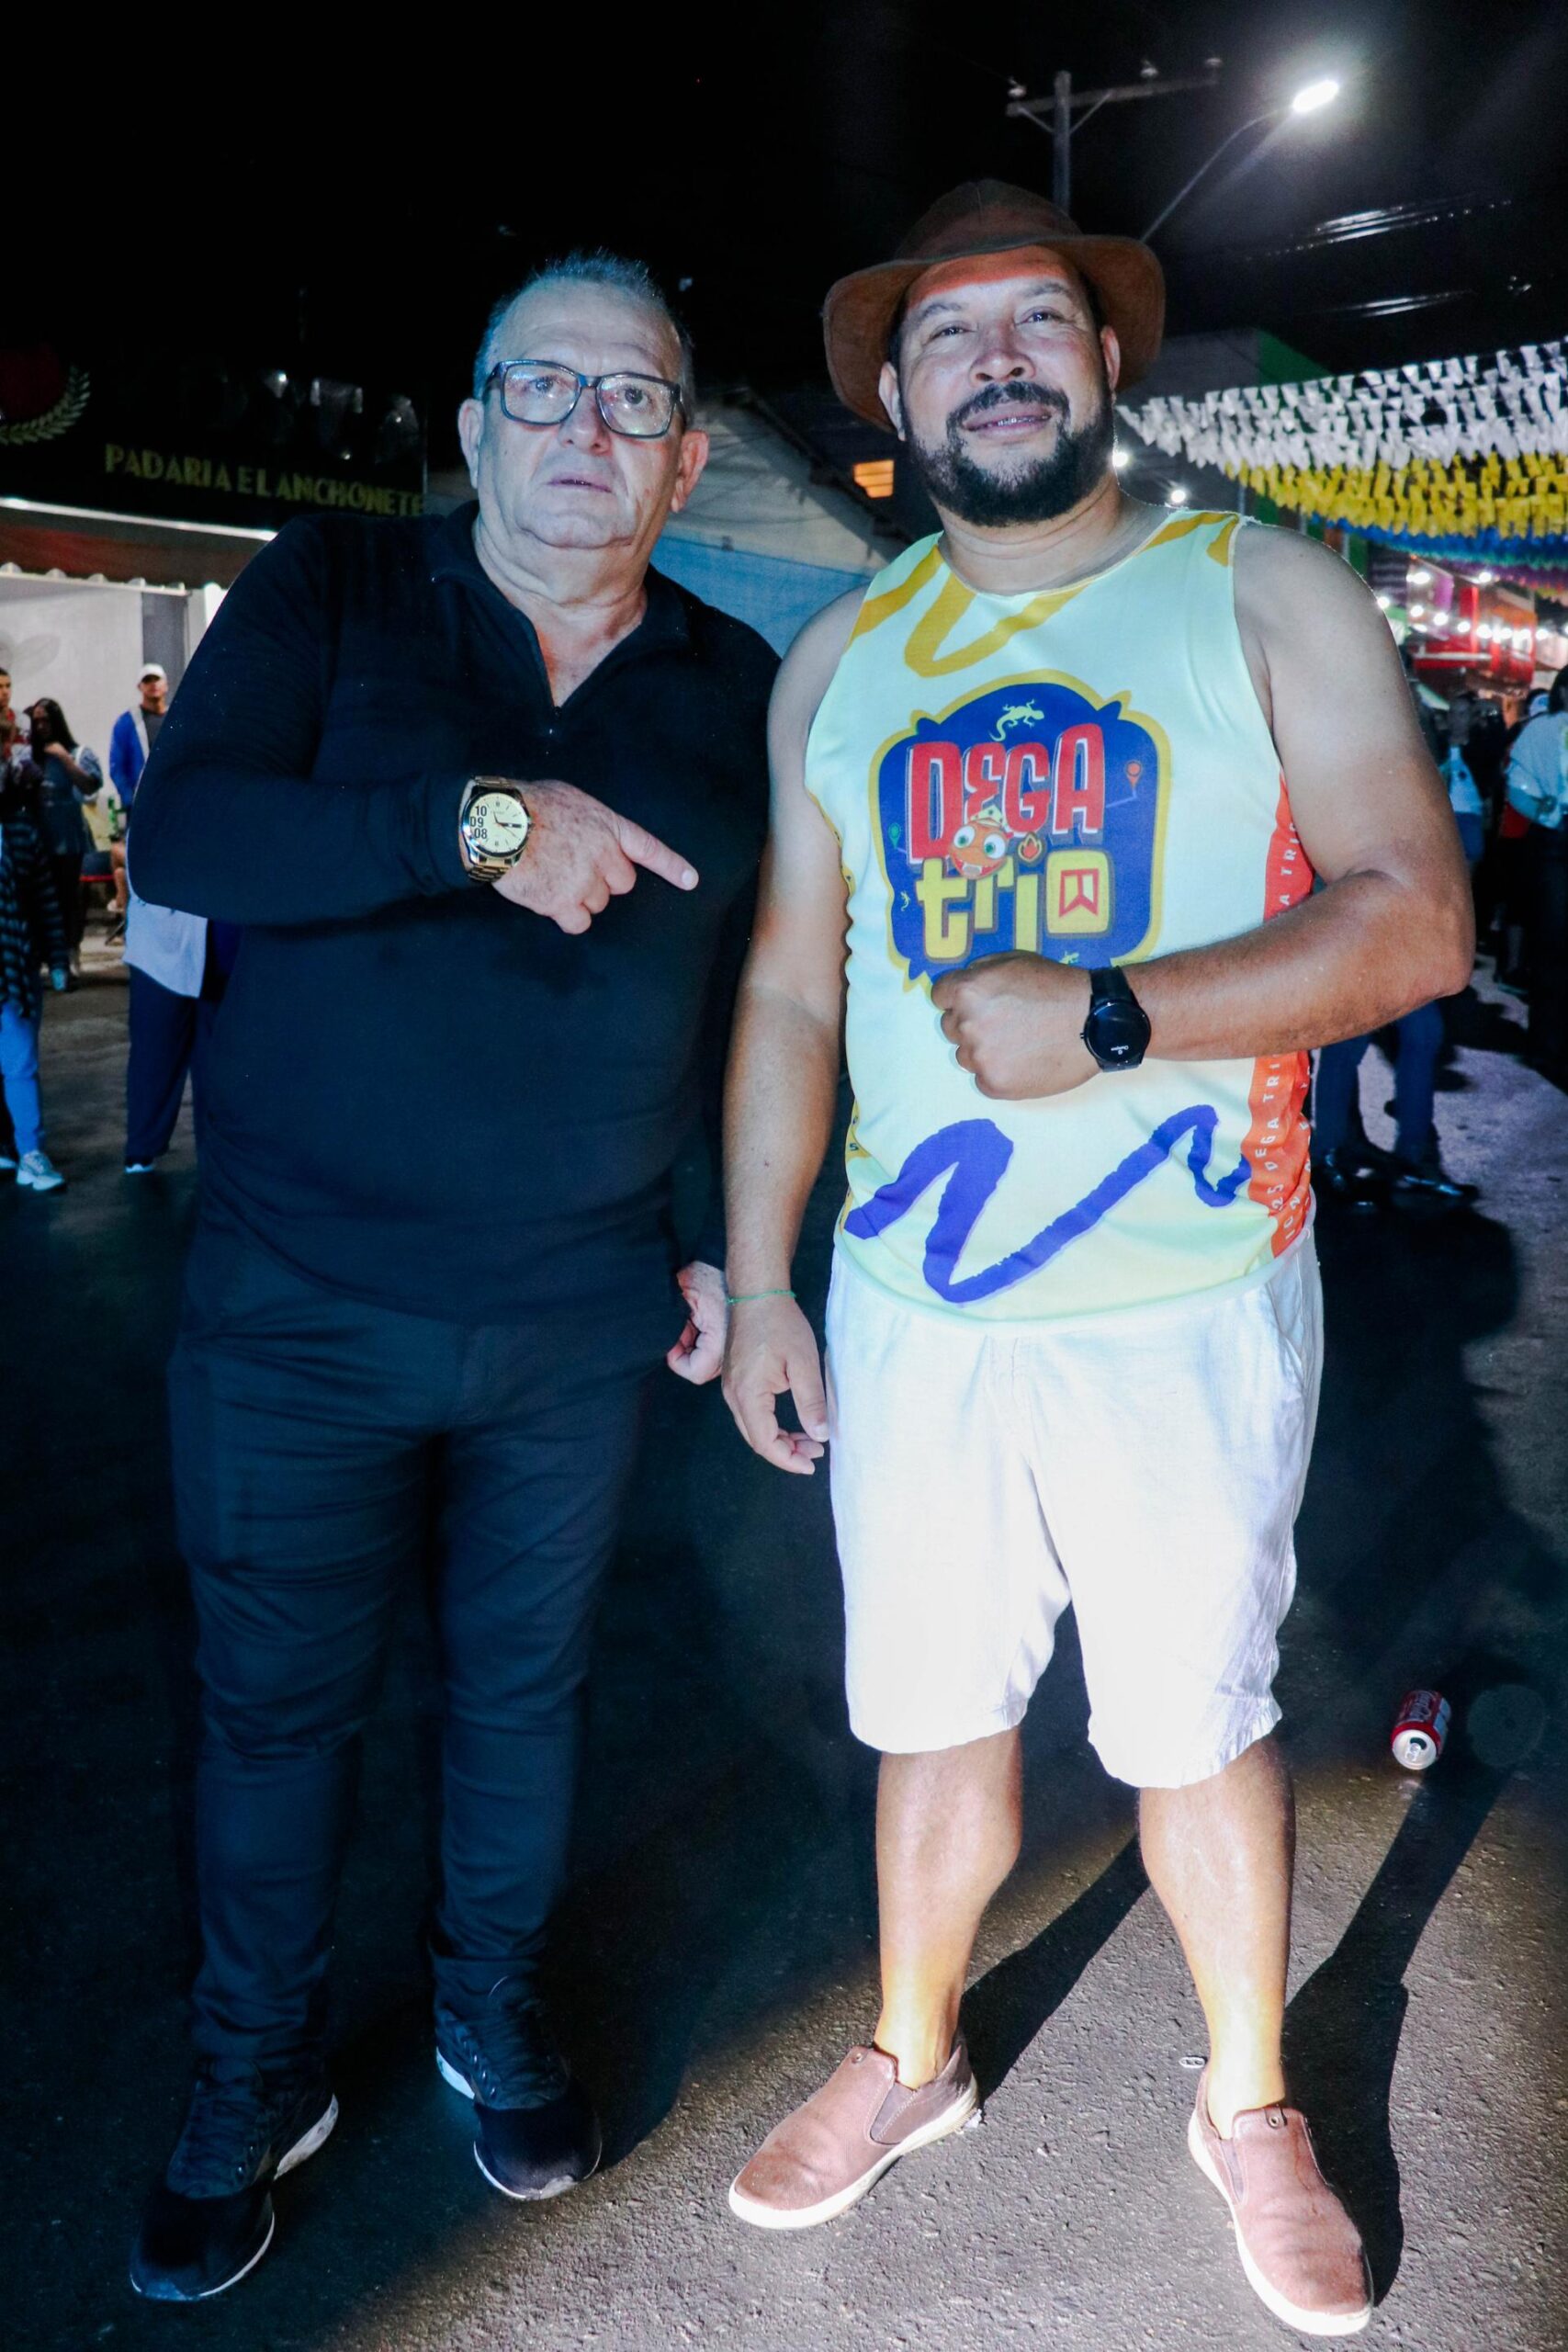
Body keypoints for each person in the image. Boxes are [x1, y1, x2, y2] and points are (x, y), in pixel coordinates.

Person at [719, 181, 1472, 2339]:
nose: (995, 361)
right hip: (916, 1309)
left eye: (1034, 320)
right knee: (925, 1714)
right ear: (892, 400)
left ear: (1105, 362)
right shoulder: (835, 661)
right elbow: (788, 985)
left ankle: (1245, 2099)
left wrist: (1117, 1012)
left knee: (1191, 1723)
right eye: (945, 335)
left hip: (1184, 1298)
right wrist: (761, 1280)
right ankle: (909, 2050)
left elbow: (1413, 915)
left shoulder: (1253, 589)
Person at [125, 251, 774, 2305]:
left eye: (632, 399)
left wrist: (716, 1240)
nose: (587, 429)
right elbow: (190, 837)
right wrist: (478, 817)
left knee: (523, 1694)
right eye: (544, 389)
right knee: (274, 1713)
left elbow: (739, 1001)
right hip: (293, 1306)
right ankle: (253, 2068)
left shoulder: (735, 686)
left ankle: (487, 1996)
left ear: (684, 459)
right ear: (475, 424)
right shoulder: (334, 587)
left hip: (574, 1319)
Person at [0, 762, 70, 1191]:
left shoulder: (22, 831)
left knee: (20, 1063)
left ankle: (30, 1152)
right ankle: (15, 1149)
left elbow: (46, 902)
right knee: (18, 1064)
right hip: (15, 967)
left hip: (13, 971)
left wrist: (58, 958)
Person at [1506, 668, 1568, 1081]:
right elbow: (1518, 783)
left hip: (1553, 840)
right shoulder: (1544, 729)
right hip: (1555, 843)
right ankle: (1546, 1043)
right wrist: (1546, 812)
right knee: (1552, 944)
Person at [27, 696, 104, 979]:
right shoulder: (30, 756)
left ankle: (70, 950)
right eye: (36, 721)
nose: (41, 726)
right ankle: (44, 954)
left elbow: (90, 785)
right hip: (36, 838)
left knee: (68, 896)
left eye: (46, 720)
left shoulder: (76, 752)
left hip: (67, 837)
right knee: (39, 899)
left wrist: (65, 760)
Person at [109, 662, 170, 814]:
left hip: (173, 801)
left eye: (156, 679)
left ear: (166, 685)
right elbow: (117, 767)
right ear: (140, 687)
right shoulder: (127, 723)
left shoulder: (177, 720)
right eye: (147, 680)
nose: (153, 684)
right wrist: (130, 800)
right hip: (142, 804)